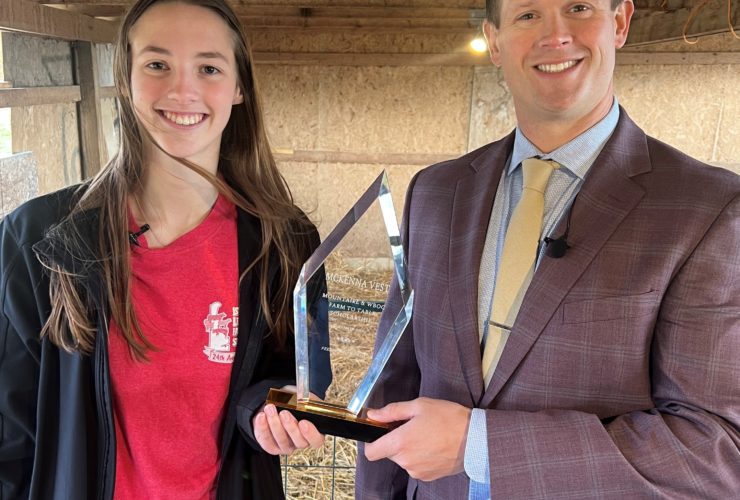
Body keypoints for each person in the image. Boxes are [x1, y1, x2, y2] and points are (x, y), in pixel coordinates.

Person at [356, 0, 740, 498]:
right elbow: (393, 381)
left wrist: (481, 445)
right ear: (495, 41)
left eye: (578, 7)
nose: (555, 35)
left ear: (619, 22)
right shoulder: (436, 192)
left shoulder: (706, 210)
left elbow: (713, 449)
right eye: (527, 14)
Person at [0, 1, 326, 499]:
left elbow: (297, 370)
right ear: (125, 78)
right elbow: (9, 429)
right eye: (157, 64)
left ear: (239, 87)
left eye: (209, 68)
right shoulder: (37, 240)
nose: (182, 90)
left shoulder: (285, 242)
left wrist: (270, 407)